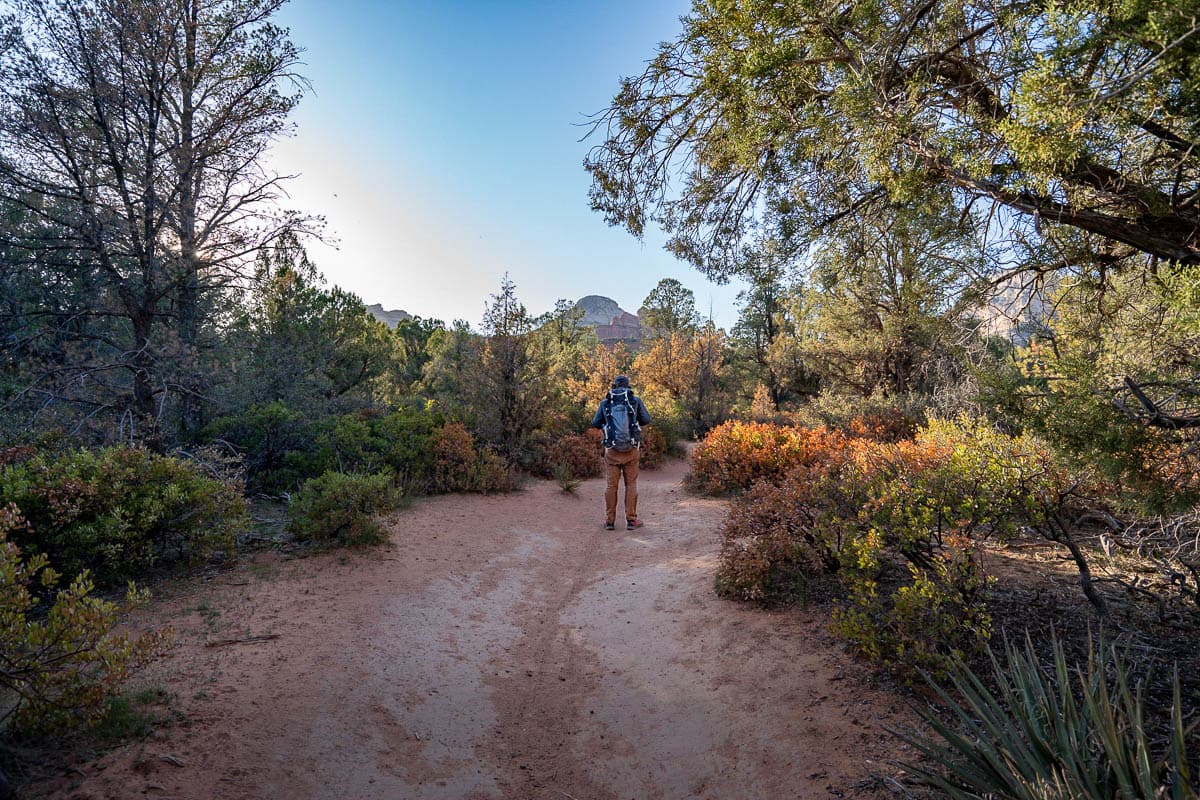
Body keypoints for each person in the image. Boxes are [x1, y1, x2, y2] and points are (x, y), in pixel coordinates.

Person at [590, 375, 652, 531]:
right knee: (631, 485)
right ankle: (631, 520)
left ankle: (610, 521)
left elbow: (595, 423)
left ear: (614, 386)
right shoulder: (635, 400)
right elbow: (646, 419)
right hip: (631, 450)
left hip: (611, 451)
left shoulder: (605, 403)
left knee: (611, 486)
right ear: (627, 386)